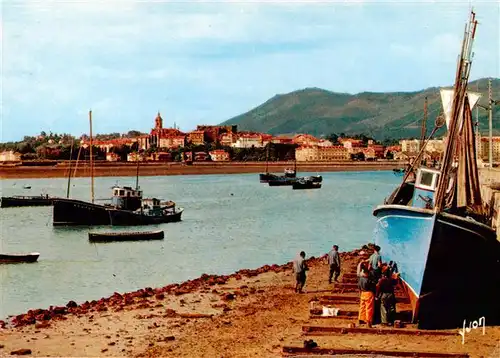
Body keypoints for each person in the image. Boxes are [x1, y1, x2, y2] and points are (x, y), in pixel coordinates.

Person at [358, 261, 376, 327]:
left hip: (362, 293)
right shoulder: (368, 280)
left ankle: (361, 319)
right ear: (367, 273)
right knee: (369, 308)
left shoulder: (360, 279)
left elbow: (359, 287)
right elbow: (373, 287)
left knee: (362, 307)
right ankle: (368, 321)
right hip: (369, 293)